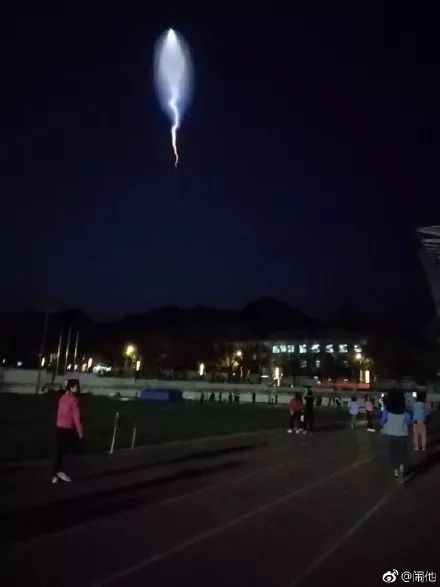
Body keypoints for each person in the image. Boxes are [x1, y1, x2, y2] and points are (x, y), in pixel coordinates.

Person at [52, 378, 83, 484]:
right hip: (68, 429)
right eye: (75, 386)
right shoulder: (74, 400)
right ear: (71, 387)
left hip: (59, 427)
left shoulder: (62, 398)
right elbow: (76, 417)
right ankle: (60, 472)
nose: (77, 388)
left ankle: (56, 473)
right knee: (69, 451)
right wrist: (80, 431)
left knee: (60, 451)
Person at [381, 390, 411, 483]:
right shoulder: (406, 412)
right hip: (403, 435)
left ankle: (396, 475)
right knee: (402, 455)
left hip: (390, 435)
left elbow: (382, 421)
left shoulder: (386, 411)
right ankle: (401, 473)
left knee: (393, 455)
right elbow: (408, 423)